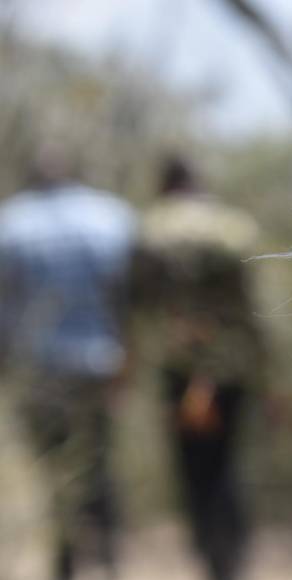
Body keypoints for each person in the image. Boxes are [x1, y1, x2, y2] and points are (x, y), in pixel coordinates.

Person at [0, 145, 136, 580]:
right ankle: (109, 557)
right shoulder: (111, 217)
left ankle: (65, 565)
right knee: (99, 460)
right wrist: (128, 356)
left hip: (40, 365)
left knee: (52, 465)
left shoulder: (11, 223)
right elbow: (126, 297)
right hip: (99, 362)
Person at [132, 156, 266, 580]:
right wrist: (271, 375)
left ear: (163, 184)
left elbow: (139, 306)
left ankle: (209, 551)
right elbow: (253, 309)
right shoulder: (233, 228)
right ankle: (232, 556)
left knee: (193, 465)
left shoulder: (148, 230)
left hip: (177, 367)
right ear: (198, 181)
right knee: (227, 460)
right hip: (231, 367)